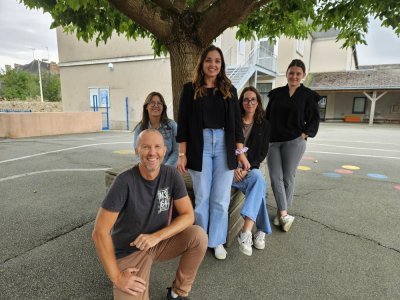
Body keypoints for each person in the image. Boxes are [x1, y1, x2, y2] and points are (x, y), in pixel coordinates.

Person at [92, 129, 208, 300]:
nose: (152, 152)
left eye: (157, 147)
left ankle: (178, 292)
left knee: (198, 236)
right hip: (130, 250)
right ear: (137, 150)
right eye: (146, 147)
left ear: (165, 150)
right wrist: (116, 277)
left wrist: (157, 237)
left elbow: (188, 216)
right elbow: (99, 233)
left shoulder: (171, 175)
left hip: (158, 242)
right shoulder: (124, 182)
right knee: (128, 290)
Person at [176, 45, 250, 260]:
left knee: (220, 199)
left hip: (224, 146)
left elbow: (237, 126)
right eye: (209, 60)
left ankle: (217, 241)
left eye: (217, 61)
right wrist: (182, 154)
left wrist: (241, 153)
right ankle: (200, 239)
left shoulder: (230, 90)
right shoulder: (190, 89)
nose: (213, 64)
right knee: (202, 196)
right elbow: (184, 124)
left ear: (222, 65)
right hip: (201, 145)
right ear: (202, 63)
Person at [266, 59, 320, 232]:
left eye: (298, 73)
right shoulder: (275, 94)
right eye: (291, 72)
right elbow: (268, 117)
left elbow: (314, 118)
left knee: (288, 177)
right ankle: (284, 215)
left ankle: (283, 212)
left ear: (303, 75)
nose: (294, 76)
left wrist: (305, 134)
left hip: (294, 142)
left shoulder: (308, 95)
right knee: (275, 177)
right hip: (274, 141)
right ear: (287, 73)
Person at [233, 86, 272, 256]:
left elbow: (262, 152)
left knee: (257, 177)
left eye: (253, 99)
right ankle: (260, 229)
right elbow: (225, 148)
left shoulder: (264, 125)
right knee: (260, 184)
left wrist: (247, 167)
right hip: (231, 170)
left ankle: (246, 231)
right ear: (241, 102)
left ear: (258, 102)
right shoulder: (233, 122)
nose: (249, 102)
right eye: (246, 99)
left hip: (250, 169)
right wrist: (234, 167)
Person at [133, 92, 178, 166]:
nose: (156, 105)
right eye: (152, 103)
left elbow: (176, 152)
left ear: (163, 107)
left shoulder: (172, 125)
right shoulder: (140, 128)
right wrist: (148, 169)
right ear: (146, 107)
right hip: (147, 170)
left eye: (159, 103)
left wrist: (165, 170)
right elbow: (137, 153)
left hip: (168, 169)